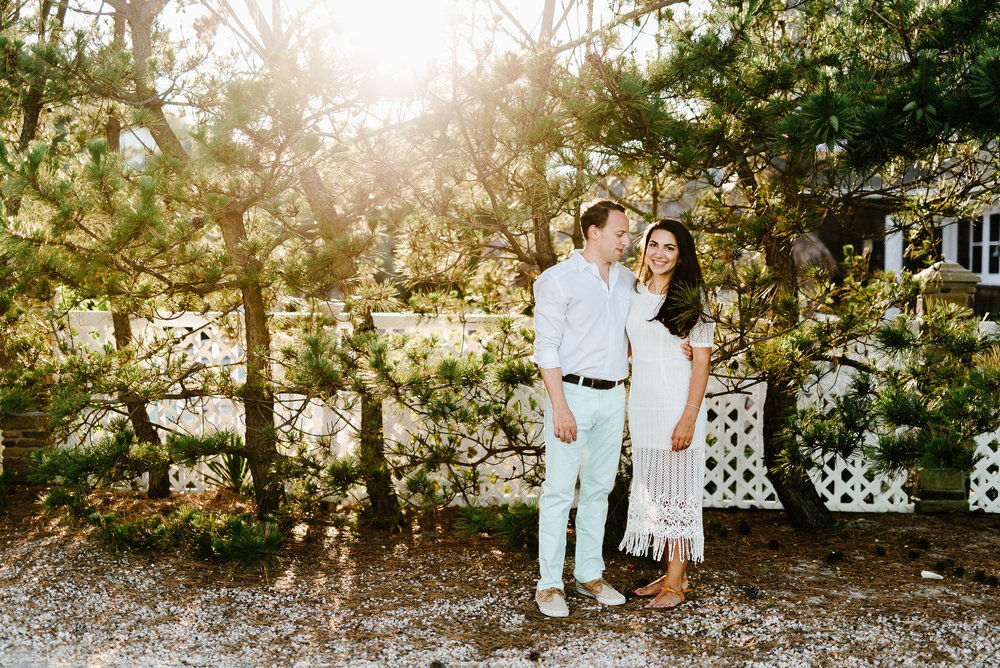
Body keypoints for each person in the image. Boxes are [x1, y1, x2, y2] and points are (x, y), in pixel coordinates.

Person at [530, 199, 634, 618]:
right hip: (571, 395)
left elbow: (637, 332)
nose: (627, 241)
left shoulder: (628, 280)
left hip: (614, 396)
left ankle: (589, 574)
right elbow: (545, 347)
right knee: (557, 492)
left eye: (628, 234)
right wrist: (560, 406)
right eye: (620, 233)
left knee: (598, 490)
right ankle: (549, 584)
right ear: (594, 232)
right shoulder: (558, 280)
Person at [619, 218, 713, 610]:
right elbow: (628, 348)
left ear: (681, 254)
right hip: (642, 407)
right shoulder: (635, 293)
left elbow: (703, 362)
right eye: (653, 245)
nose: (659, 254)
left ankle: (675, 584)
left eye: (669, 247)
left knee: (678, 493)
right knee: (659, 494)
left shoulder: (692, 296)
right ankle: (678, 572)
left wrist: (689, 415)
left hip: (677, 403)